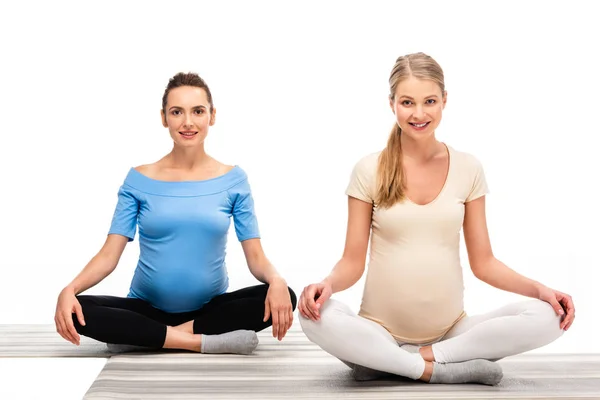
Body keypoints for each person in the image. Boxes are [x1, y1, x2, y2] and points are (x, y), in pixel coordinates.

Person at [298, 52, 575, 385]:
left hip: (452, 333)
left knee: (548, 315)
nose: (418, 113)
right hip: (378, 331)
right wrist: (326, 285)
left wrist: (541, 289)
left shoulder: (467, 168)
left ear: (445, 100)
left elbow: (484, 262)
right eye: (407, 102)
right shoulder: (368, 170)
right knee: (313, 317)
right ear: (392, 104)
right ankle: (432, 371)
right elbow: (352, 261)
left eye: (429, 101)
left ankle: (404, 363)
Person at [54, 72, 297, 355]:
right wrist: (69, 289)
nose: (188, 122)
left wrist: (277, 280)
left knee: (285, 295)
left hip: (209, 312)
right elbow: (109, 254)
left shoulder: (234, 180)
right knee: (76, 309)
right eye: (177, 112)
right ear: (163, 118)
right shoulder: (138, 180)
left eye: (198, 111)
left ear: (212, 116)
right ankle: (200, 342)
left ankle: (147, 338)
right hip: (146, 310)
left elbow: (256, 257)